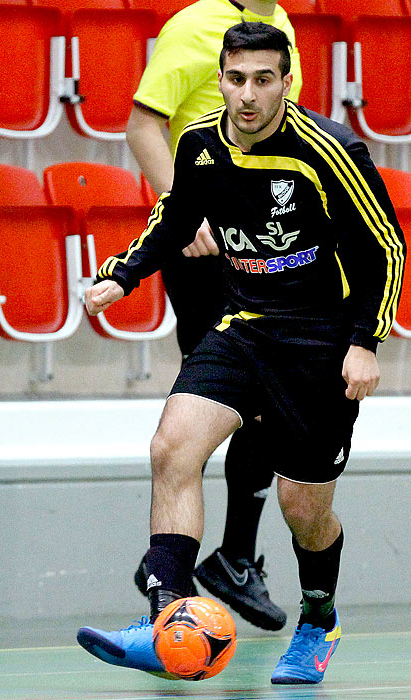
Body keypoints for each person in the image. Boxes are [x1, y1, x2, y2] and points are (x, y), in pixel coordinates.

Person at [77, 22, 405, 685]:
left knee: (303, 509)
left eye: (263, 79)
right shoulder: (199, 143)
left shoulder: (329, 149)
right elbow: (175, 217)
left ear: (286, 81)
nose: (247, 94)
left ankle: (318, 618)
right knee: (173, 447)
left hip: (318, 339)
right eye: (236, 79)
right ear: (220, 79)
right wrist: (124, 272)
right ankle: (167, 615)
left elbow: (385, 248)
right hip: (242, 324)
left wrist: (365, 342)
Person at [126, 0, 303, 632]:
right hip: (203, 248)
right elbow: (145, 123)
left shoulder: (278, 29)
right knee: (221, 397)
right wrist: (185, 209)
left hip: (258, 245)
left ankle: (229, 555)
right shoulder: (195, 23)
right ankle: (177, 578)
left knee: (267, 398)